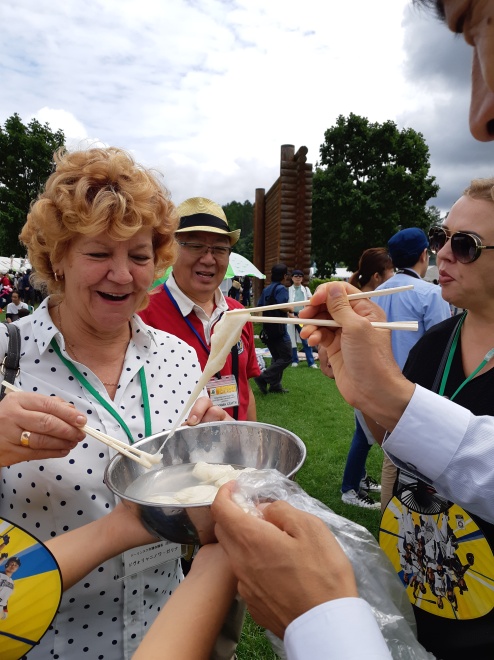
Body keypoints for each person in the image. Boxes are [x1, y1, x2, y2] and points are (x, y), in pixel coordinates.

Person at [0, 147, 229, 660]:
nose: (123, 275)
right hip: (45, 643)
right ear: (57, 257)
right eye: (99, 254)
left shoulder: (180, 358)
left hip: (168, 631)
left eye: (140, 256)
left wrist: (212, 446)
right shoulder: (5, 360)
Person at [379, 179, 494, 659]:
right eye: (440, 236)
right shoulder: (434, 342)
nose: (441, 254)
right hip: (425, 579)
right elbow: (393, 449)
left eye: (463, 245)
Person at [140, 197, 260, 422]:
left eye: (219, 249)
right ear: (170, 251)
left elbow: (246, 390)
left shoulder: (238, 314)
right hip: (177, 452)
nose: (208, 259)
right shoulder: (141, 316)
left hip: (236, 447)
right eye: (195, 246)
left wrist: (253, 443)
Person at [375, 228, 451, 508]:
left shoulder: (376, 292)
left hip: (380, 387)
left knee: (390, 457)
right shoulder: (432, 294)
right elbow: (444, 347)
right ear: (424, 254)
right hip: (420, 393)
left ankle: (389, 519)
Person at [340, 248, 394, 509]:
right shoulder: (359, 301)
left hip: (363, 377)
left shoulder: (368, 299)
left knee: (362, 434)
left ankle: (358, 479)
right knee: (364, 435)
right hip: (359, 378)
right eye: (390, 271)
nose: (393, 276)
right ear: (376, 275)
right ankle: (349, 489)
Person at [253, 263, 292, 394]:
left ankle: (275, 386)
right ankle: (263, 378)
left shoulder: (267, 289)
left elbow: (259, 307)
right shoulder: (281, 289)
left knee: (277, 357)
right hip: (279, 329)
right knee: (287, 357)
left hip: (268, 329)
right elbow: (282, 306)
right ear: (285, 276)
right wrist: (290, 308)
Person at [287, 269, 318, 368]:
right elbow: (285, 304)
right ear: (292, 278)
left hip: (302, 316)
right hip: (291, 315)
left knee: (305, 338)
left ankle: (311, 362)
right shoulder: (288, 290)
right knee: (292, 338)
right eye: (296, 276)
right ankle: (294, 360)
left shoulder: (306, 289)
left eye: (300, 276)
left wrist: (307, 314)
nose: (298, 278)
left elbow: (310, 302)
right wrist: (290, 314)